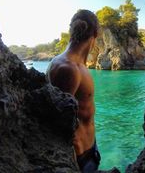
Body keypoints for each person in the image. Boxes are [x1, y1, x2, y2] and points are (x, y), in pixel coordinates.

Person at [47, 9, 101, 172]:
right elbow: (61, 124)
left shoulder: (70, 63)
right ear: (95, 34)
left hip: (89, 149)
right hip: (80, 158)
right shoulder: (70, 70)